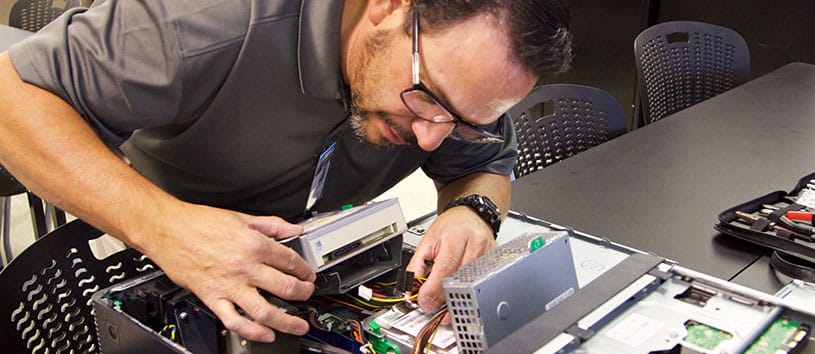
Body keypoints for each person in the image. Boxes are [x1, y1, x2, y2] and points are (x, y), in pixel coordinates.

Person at [0, 0, 572, 343]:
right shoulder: (202, 19)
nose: (430, 137)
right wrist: (167, 228)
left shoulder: (458, 92)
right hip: (162, 251)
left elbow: (485, 167)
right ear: (388, 7)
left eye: (462, 122)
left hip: (308, 268)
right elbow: (10, 98)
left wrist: (474, 210)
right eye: (426, 99)